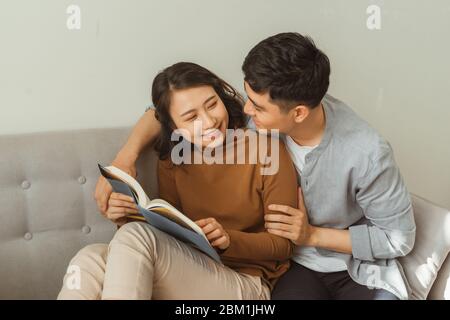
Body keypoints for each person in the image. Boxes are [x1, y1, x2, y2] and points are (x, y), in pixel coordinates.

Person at [94, 33, 416, 300]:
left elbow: (398, 238)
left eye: (257, 107)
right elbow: (165, 110)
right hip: (291, 268)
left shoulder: (365, 153)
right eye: (246, 97)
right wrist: (125, 161)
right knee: (90, 262)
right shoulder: (258, 114)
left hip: (345, 266)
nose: (245, 110)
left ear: (298, 114)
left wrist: (312, 235)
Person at [58, 62, 298, 300]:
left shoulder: (267, 150)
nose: (208, 121)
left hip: (247, 284)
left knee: (136, 236)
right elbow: (168, 233)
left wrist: (228, 239)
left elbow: (284, 245)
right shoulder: (173, 159)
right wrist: (124, 216)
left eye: (212, 104)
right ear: (174, 126)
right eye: (191, 117)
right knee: (89, 259)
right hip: (188, 269)